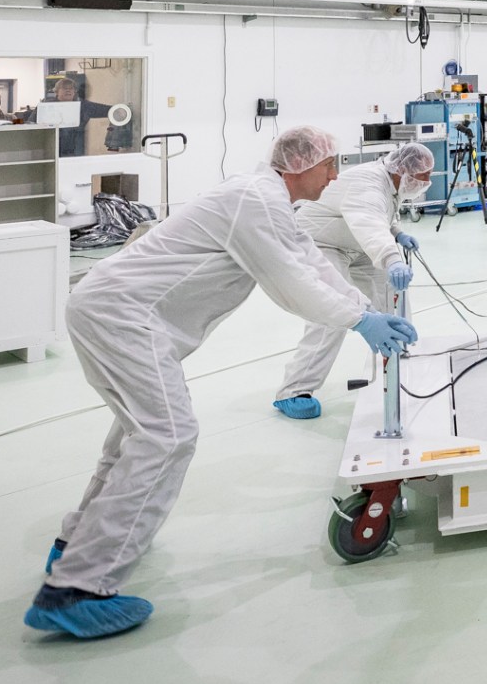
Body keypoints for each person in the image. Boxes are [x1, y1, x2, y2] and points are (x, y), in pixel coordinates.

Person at [23, 126, 417, 640]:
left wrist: (366, 308)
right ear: (300, 165)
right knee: (167, 436)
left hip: (117, 312)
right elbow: (290, 281)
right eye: (329, 166)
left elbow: (311, 261)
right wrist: (359, 322)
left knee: (135, 437)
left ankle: (76, 544)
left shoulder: (270, 203)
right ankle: (76, 588)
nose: (334, 175)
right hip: (123, 316)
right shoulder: (254, 200)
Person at [272, 141, 435, 419]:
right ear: (405, 172)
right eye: (424, 177)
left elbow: (383, 214)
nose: (427, 182)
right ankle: (294, 390)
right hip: (322, 243)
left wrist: (396, 233)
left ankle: (398, 352)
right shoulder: (369, 184)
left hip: (353, 244)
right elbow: (369, 222)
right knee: (332, 312)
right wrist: (391, 256)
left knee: (389, 292)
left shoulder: (387, 180)